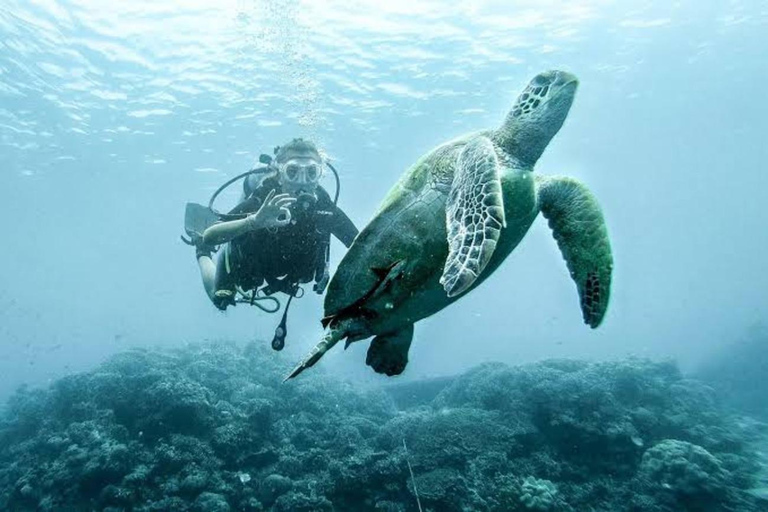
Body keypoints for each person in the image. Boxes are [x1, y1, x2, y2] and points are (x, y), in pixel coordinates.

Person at [187, 138, 359, 350]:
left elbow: (360, 244)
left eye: (311, 173)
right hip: (247, 264)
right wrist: (255, 221)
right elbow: (210, 236)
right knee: (219, 298)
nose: (302, 181)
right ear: (279, 173)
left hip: (292, 273)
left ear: (320, 175)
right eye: (293, 172)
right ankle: (201, 254)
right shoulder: (261, 200)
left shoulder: (325, 209)